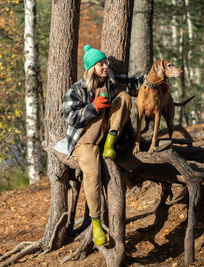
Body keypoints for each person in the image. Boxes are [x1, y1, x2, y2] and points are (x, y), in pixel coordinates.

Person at [62, 45, 144, 245]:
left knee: (124, 97)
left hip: (107, 138)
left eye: (106, 62)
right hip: (84, 142)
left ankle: (110, 143)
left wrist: (157, 81)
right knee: (92, 177)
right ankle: (97, 224)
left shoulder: (113, 82)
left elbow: (135, 82)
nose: (105, 66)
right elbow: (70, 118)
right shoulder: (77, 90)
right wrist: (92, 107)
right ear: (91, 68)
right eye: (100, 64)